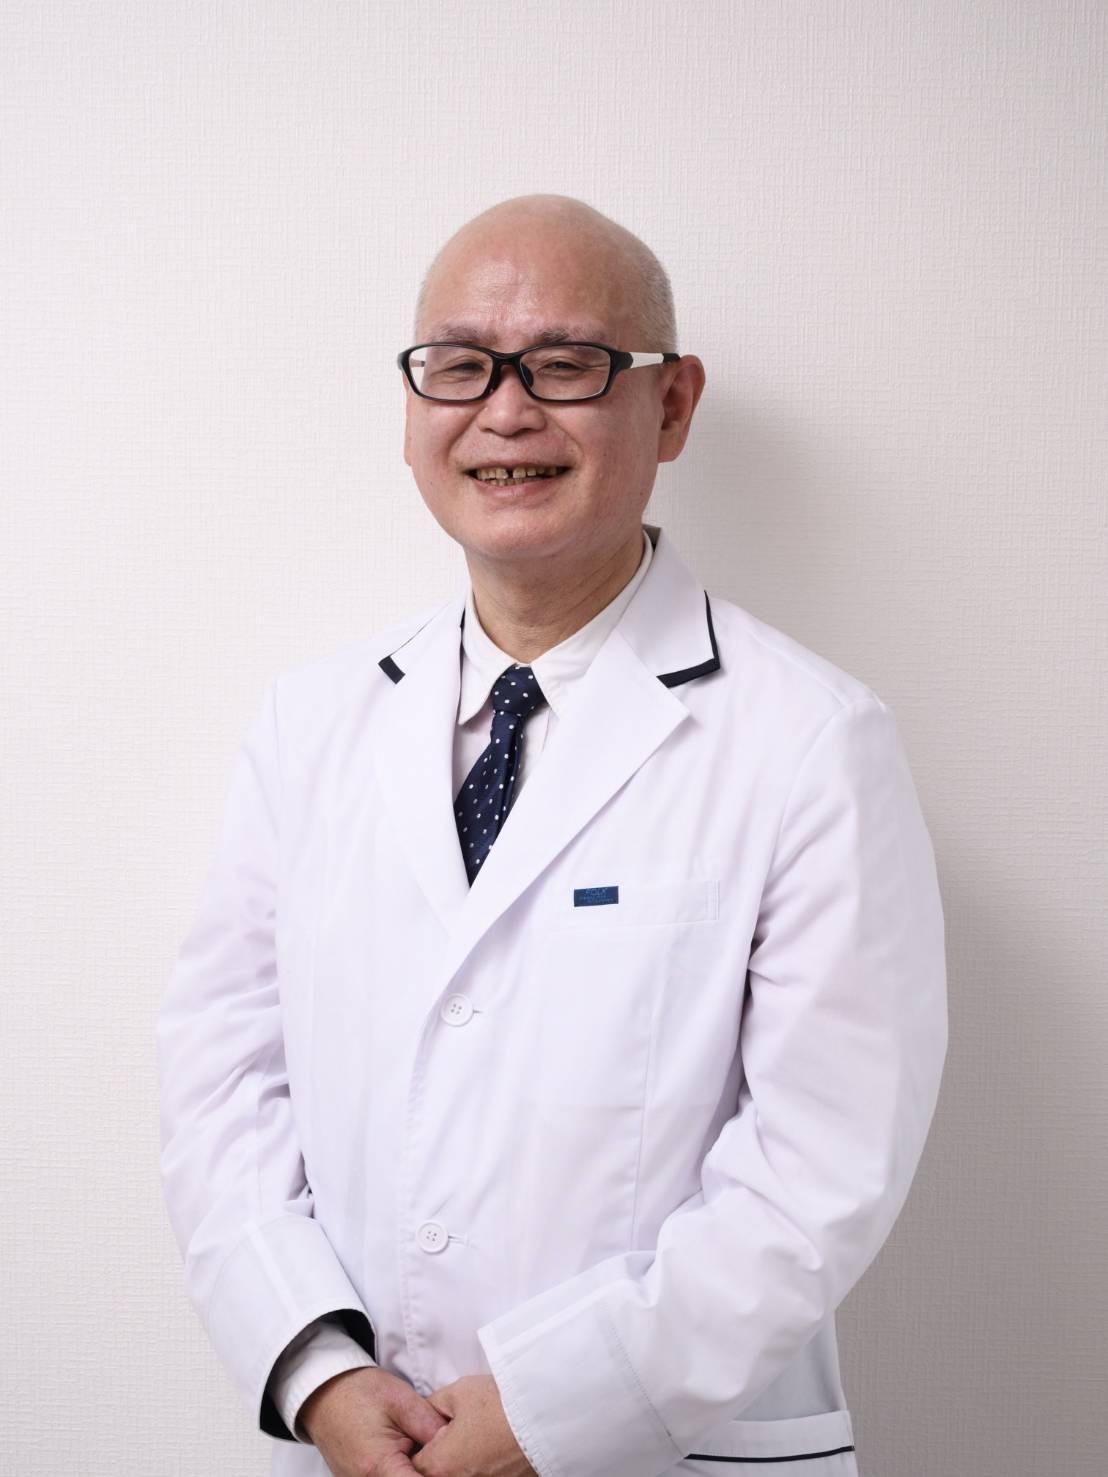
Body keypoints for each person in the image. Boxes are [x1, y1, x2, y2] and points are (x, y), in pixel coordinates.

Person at [158, 193, 947, 1477]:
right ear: (412, 408)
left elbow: (822, 1164)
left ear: (672, 405)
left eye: (567, 364)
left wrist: (556, 1408)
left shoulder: (810, 740)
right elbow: (221, 1080)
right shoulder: (311, 724)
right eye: (459, 366)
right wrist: (315, 1366)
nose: (505, 412)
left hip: (664, 1447)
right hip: (353, 1442)